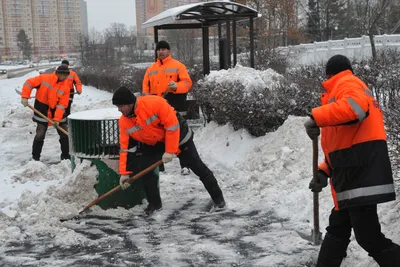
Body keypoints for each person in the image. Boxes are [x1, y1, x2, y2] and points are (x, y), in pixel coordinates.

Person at [304, 54, 400, 266]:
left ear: (329, 74)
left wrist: (316, 117)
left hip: (360, 176)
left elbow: (356, 109)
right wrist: (323, 171)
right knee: (338, 228)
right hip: (354, 173)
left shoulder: (347, 83)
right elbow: (343, 143)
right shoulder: (347, 87)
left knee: (368, 237)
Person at [112, 86, 225, 215]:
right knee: (146, 170)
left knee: (197, 167)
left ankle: (218, 200)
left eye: (121, 106)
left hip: (180, 136)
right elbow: (125, 148)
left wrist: (170, 150)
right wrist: (124, 173)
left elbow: (172, 126)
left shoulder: (155, 103)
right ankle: (154, 204)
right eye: (118, 106)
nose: (119, 110)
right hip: (154, 142)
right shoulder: (124, 122)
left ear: (130, 103)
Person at [142, 40, 193, 176]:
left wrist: (176, 87)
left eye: (164, 49)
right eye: (159, 49)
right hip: (156, 108)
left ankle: (185, 164)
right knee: (158, 136)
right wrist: (148, 100)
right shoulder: (150, 69)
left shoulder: (178, 66)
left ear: (169, 51)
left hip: (174, 105)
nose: (161, 51)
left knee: (180, 136)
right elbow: (145, 89)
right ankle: (159, 165)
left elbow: (187, 83)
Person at [21, 65, 71, 161]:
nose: (63, 77)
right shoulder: (44, 78)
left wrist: (57, 119)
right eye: (62, 74)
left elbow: (62, 105)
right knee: (40, 135)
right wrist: (25, 96)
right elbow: (29, 83)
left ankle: (66, 156)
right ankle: (35, 158)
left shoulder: (66, 87)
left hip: (57, 113)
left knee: (65, 135)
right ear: (58, 73)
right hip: (42, 111)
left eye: (66, 75)